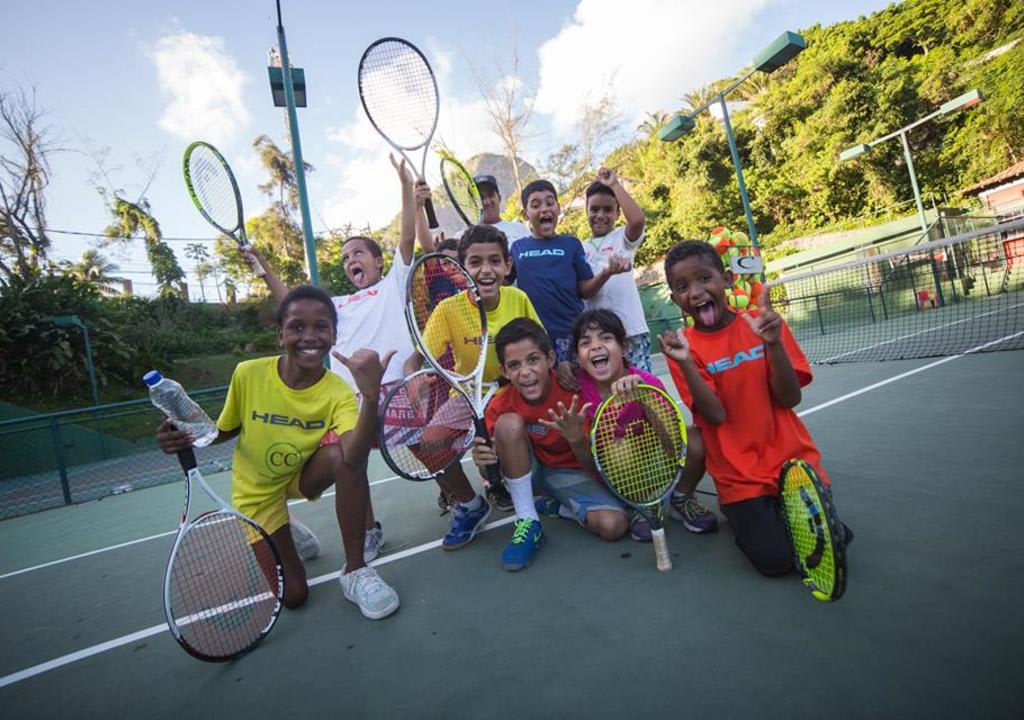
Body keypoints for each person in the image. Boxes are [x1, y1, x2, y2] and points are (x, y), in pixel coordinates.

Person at [156, 286, 400, 619]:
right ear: (280, 335)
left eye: (321, 326)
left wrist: (371, 397)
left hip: (301, 475)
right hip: (257, 494)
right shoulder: (248, 373)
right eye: (297, 326)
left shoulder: (338, 392)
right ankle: (283, 527)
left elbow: (355, 460)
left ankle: (356, 571)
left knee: (344, 459)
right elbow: (224, 430)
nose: (309, 336)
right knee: (294, 596)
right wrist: (184, 436)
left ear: (334, 335)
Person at [245, 155, 432, 563]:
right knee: (352, 467)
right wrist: (263, 271)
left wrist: (404, 185)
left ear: (378, 261)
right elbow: (290, 301)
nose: (351, 261)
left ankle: (464, 501)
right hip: (352, 404)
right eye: (346, 258)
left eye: (358, 254)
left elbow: (405, 237)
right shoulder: (338, 305)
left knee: (426, 450)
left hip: (399, 389)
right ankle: (368, 531)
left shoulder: (394, 283)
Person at [657, 240, 851, 576]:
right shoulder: (683, 351)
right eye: (682, 287)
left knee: (836, 540)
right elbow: (715, 415)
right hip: (740, 477)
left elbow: (790, 398)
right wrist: (687, 363)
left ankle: (772, 515)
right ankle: (747, 516)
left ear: (728, 279)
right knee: (774, 561)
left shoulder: (763, 324)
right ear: (675, 299)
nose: (697, 291)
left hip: (795, 464)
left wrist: (773, 344)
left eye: (705, 278)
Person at [403, 224, 542, 546]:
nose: (486, 269)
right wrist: (414, 379)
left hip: (516, 390)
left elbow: (541, 348)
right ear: (461, 270)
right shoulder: (448, 309)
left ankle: (527, 484)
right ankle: (470, 504)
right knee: (431, 442)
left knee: (510, 433)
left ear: (508, 266)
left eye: (495, 260)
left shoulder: (518, 298)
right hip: (469, 396)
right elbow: (416, 360)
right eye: (475, 262)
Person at [471, 318, 630, 572]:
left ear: (551, 359)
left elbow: (592, 464)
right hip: (529, 474)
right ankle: (527, 520)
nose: (525, 372)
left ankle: (556, 505)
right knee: (509, 424)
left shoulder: (574, 390)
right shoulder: (500, 406)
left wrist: (576, 437)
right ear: (504, 371)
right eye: (514, 365)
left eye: (533, 360)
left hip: (570, 472)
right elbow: (494, 474)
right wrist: (483, 463)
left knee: (614, 526)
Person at [571, 308, 718, 537]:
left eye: (606, 338)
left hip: (657, 462)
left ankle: (681, 496)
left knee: (696, 439)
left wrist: (643, 396)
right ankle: (636, 505)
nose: (596, 346)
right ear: (578, 357)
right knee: (619, 449)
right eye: (585, 342)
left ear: (624, 348)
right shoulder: (575, 388)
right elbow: (591, 464)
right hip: (613, 474)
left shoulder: (647, 382)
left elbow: (673, 445)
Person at [511, 179, 630, 365]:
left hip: (572, 332)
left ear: (558, 208)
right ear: (525, 214)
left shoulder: (571, 244)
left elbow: (585, 290)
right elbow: (501, 283)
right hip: (536, 338)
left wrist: (607, 272)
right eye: (535, 205)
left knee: (579, 386)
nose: (544, 209)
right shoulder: (517, 248)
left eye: (550, 203)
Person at [581, 168, 653, 372]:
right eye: (594, 209)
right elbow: (584, 290)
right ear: (586, 210)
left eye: (607, 209)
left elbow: (638, 220)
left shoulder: (623, 238)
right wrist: (606, 273)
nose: (600, 215)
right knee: (610, 396)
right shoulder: (579, 247)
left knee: (642, 391)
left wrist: (614, 184)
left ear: (617, 212)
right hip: (599, 339)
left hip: (631, 331)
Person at [473, 174, 530, 251]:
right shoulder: (462, 236)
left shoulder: (520, 230)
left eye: (490, 195)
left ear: (499, 198)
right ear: (472, 203)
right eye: (481, 198)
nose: (486, 202)